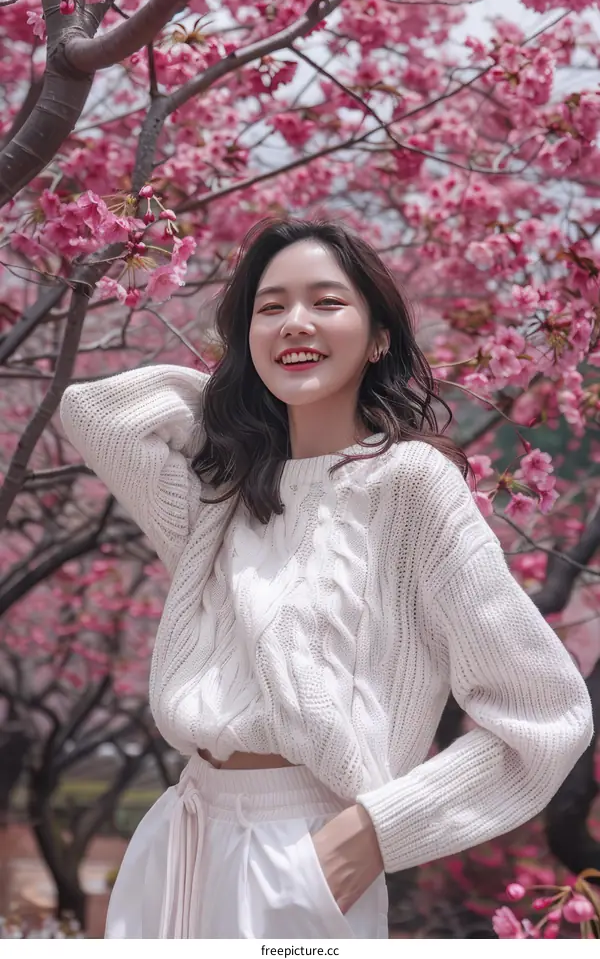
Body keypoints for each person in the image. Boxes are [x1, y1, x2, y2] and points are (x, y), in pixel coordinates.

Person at [59, 217, 594, 940]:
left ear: (378, 338)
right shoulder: (224, 494)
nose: (295, 322)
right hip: (179, 832)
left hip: (304, 848)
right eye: (270, 307)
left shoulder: (410, 484)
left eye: (326, 301)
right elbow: (100, 415)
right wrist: (237, 399)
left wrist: (368, 837)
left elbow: (543, 713)